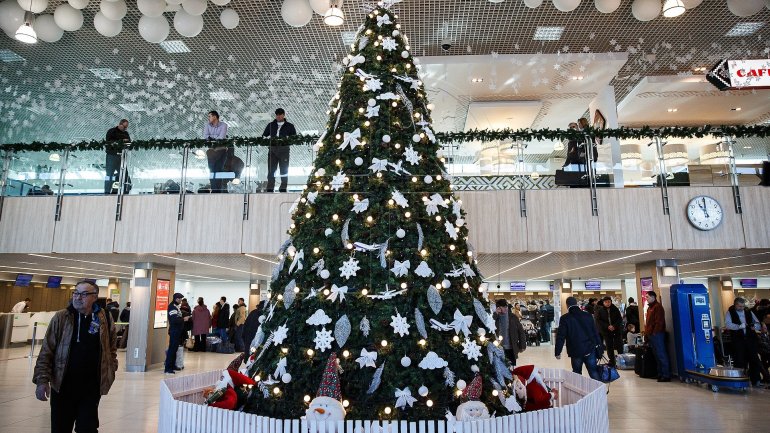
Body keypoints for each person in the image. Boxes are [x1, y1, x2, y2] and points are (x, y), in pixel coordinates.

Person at [33, 281, 117, 433]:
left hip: (92, 386)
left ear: (95, 297)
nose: (78, 297)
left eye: (84, 294)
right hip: (63, 385)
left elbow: (111, 348)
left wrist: (112, 368)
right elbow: (47, 351)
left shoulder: (104, 318)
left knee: (88, 428)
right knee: (60, 428)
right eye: (76, 293)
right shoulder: (61, 317)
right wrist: (42, 380)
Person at [555, 296, 602, 380]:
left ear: (567, 305)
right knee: (593, 372)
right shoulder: (588, 315)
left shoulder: (565, 318)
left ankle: (578, 391)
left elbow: (561, 336)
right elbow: (595, 333)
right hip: (589, 349)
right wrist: (600, 347)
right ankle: (599, 391)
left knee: (577, 373)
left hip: (575, 350)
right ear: (576, 304)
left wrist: (558, 351)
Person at [724, 297, 765, 387]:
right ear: (735, 305)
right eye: (739, 306)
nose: (741, 308)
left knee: (754, 359)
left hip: (750, 339)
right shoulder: (730, 312)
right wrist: (738, 326)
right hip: (738, 340)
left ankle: (756, 380)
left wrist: (755, 327)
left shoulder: (748, 311)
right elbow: (728, 324)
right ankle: (740, 381)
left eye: (743, 306)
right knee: (740, 360)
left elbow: (757, 323)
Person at [262, 108, 297, 193]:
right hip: (272, 150)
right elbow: (264, 135)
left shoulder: (289, 126)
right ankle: (270, 188)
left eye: (280, 114)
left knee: (284, 170)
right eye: (277, 114)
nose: (278, 116)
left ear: (283, 115)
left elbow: (294, 137)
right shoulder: (271, 125)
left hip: (284, 150)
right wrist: (267, 140)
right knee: (271, 170)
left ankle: (283, 187)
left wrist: (287, 140)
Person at [644, 291, 671, 382]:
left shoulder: (658, 307)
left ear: (653, 297)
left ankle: (666, 374)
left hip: (657, 334)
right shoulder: (649, 308)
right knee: (656, 355)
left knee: (661, 354)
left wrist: (655, 332)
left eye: (647, 297)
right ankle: (660, 373)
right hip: (651, 334)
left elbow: (659, 322)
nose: (646, 298)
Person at [493, 299, 527, 367]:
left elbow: (521, 331)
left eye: (506, 306)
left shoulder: (513, 317)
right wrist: (495, 314)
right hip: (498, 348)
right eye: (503, 307)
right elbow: (489, 325)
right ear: (498, 308)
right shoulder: (495, 317)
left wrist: (522, 345)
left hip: (511, 347)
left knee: (511, 368)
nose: (505, 308)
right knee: (499, 368)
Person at [203, 110, 231, 193]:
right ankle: (214, 189)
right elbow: (205, 136)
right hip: (212, 150)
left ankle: (218, 190)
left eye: (209, 116)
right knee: (212, 169)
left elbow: (221, 137)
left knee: (219, 169)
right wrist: (214, 137)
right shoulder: (207, 125)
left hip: (221, 149)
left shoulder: (224, 125)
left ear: (215, 117)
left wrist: (212, 138)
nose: (208, 118)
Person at [164, 293, 189, 374]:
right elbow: (174, 320)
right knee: (172, 349)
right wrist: (183, 319)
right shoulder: (172, 307)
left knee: (175, 349)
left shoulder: (176, 306)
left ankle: (172, 365)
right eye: (180, 299)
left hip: (177, 331)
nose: (181, 301)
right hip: (174, 331)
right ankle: (168, 368)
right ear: (176, 299)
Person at [105, 119, 132, 195]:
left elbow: (129, 143)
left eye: (126, 127)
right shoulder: (112, 131)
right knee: (109, 174)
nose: (125, 129)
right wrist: (122, 140)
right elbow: (109, 141)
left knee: (124, 174)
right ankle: (107, 191)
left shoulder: (126, 133)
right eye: (124, 126)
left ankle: (127, 190)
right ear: (120, 124)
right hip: (112, 155)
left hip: (121, 156)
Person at [596, 297, 623, 367]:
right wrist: (607, 326)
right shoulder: (600, 310)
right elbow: (599, 321)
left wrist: (614, 326)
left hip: (616, 330)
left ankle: (621, 360)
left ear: (611, 302)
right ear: (603, 303)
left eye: (609, 302)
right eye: (606, 302)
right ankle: (612, 361)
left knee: (619, 345)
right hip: (606, 331)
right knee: (609, 346)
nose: (607, 303)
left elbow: (619, 319)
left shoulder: (615, 309)